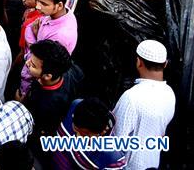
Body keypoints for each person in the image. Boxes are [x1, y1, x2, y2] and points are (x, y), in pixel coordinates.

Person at [112, 39, 176, 170]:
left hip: (130, 166)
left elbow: (117, 141)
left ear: (139, 62)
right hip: (152, 162)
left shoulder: (131, 97)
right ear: (165, 64)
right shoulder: (170, 93)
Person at [20, 0, 78, 94]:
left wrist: (36, 40)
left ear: (59, 5)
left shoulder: (61, 36)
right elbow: (31, 28)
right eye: (38, 1)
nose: (38, 7)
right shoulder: (58, 13)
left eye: (44, 4)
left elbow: (42, 65)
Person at [18, 39, 83, 141]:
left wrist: (21, 103)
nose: (27, 63)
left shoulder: (48, 104)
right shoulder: (72, 70)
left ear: (47, 76)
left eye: (33, 65)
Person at [53, 98, 127, 170]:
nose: (77, 137)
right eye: (75, 129)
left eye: (84, 134)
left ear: (103, 132)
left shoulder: (112, 159)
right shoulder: (76, 106)